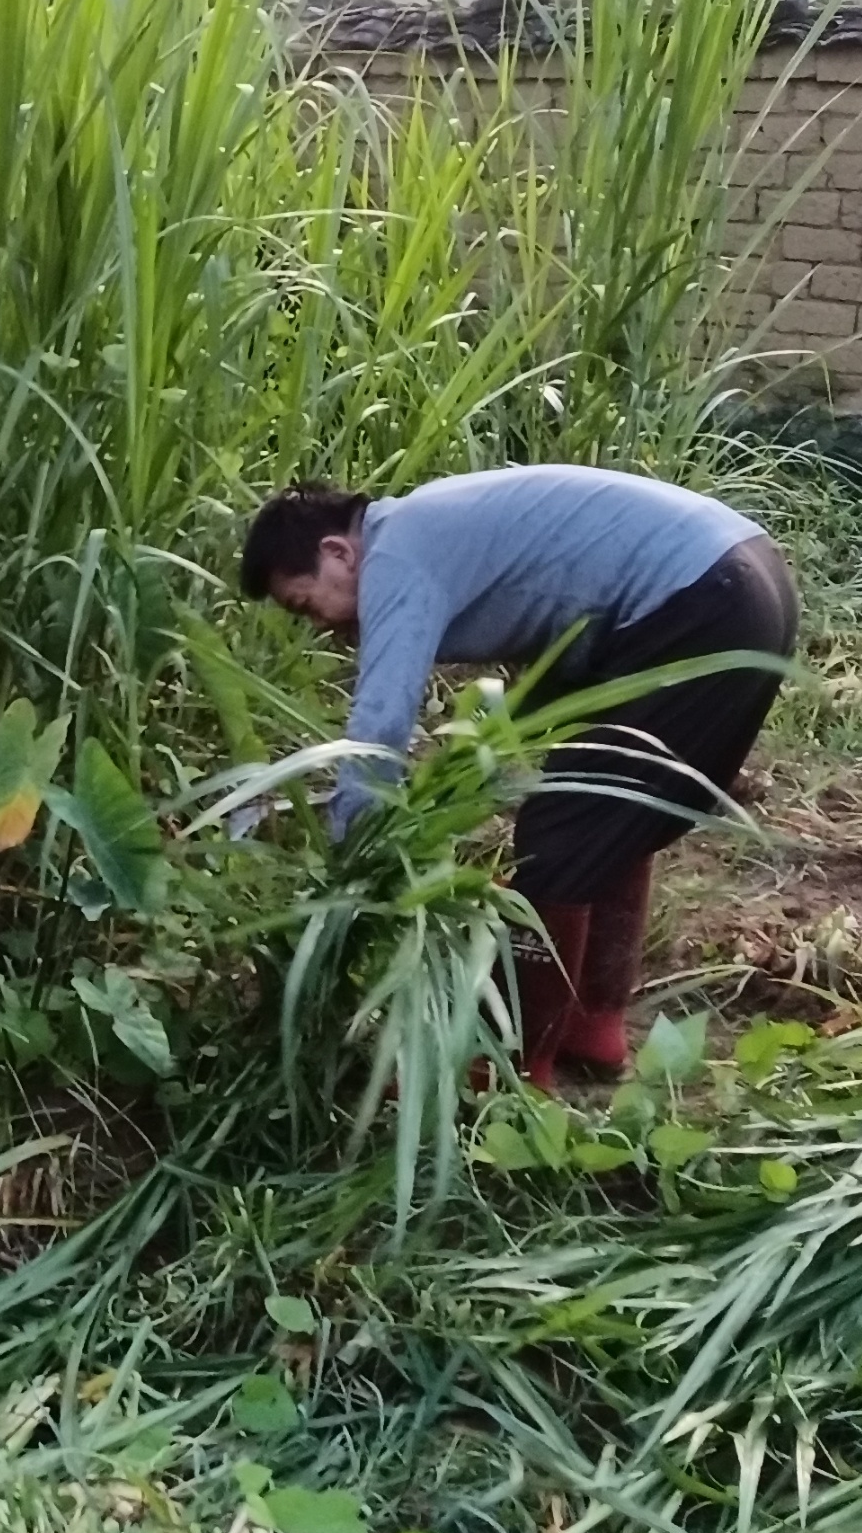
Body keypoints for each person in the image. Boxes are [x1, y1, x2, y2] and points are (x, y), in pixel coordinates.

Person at [238, 466, 799, 1088]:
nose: (319, 624)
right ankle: (591, 1030)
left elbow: (380, 722)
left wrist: (350, 858)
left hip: (702, 595)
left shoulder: (398, 553)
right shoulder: (426, 526)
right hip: (740, 579)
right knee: (607, 809)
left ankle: (497, 1066)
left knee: (560, 833)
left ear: (338, 552)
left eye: (304, 602)